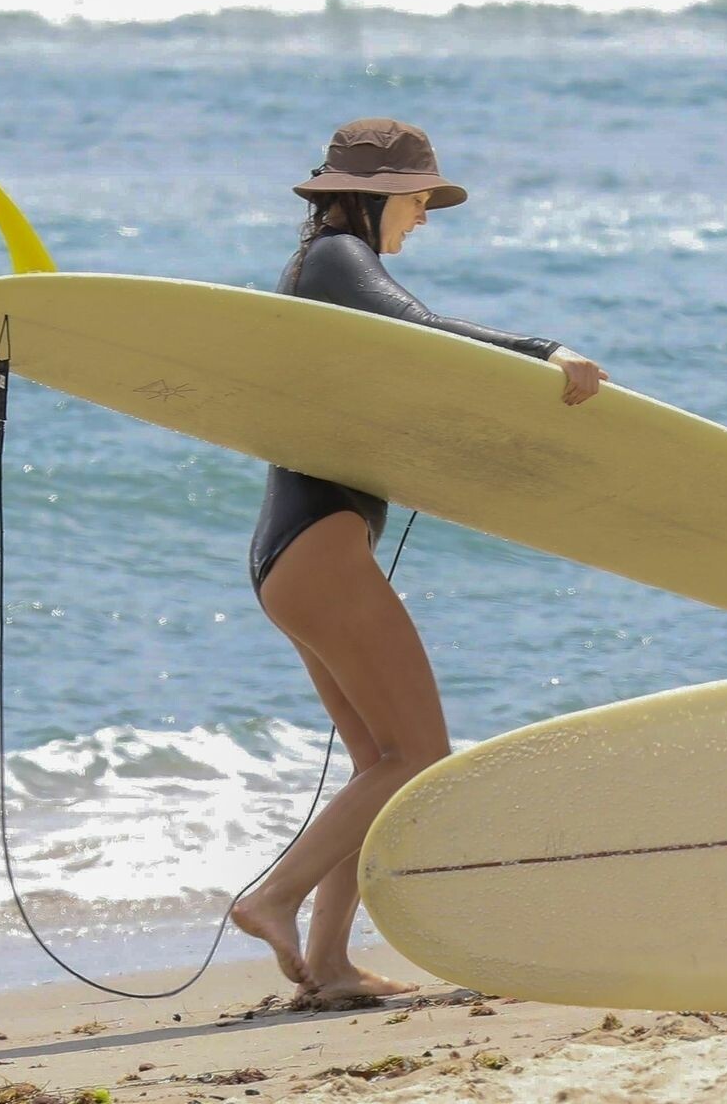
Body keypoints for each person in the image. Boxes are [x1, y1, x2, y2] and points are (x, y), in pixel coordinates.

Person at [230, 118, 607, 1007]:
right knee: (417, 756)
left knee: (378, 760)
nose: (427, 215)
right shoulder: (337, 259)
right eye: (419, 198)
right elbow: (427, 332)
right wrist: (544, 352)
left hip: (295, 556)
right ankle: (271, 896)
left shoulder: (321, 271)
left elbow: (402, 372)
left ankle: (328, 965)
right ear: (375, 196)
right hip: (320, 549)